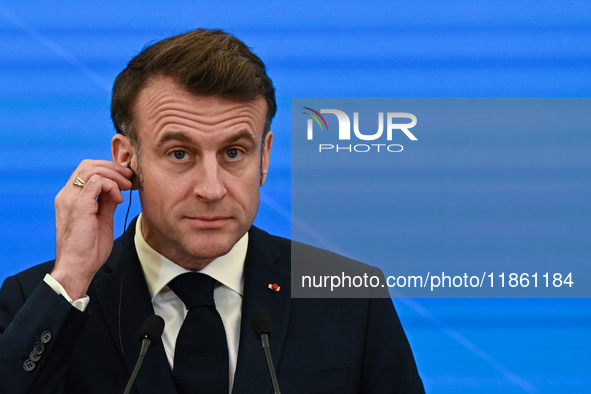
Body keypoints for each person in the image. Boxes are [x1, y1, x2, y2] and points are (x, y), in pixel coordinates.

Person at [0, 28, 424, 393]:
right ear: (128, 159)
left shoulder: (348, 294)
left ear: (264, 158)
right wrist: (73, 277)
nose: (211, 188)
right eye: (180, 153)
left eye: (234, 152)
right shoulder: (39, 301)